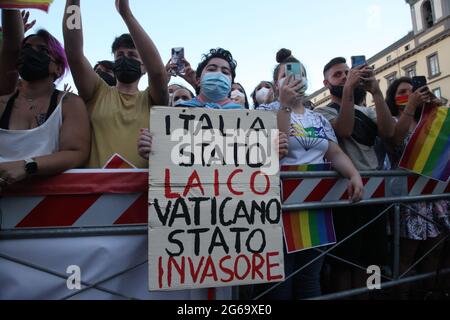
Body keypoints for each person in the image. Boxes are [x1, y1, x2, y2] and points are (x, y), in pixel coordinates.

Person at [256, 49, 364, 300]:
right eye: (287, 74)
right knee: (279, 280)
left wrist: (353, 174)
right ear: (276, 83)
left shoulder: (318, 119)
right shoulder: (264, 111)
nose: (295, 78)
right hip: (276, 209)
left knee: (308, 278)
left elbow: (334, 152)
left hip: (315, 209)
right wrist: (283, 105)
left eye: (301, 74)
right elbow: (279, 149)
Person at [315, 57, 397, 294]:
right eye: (337, 75)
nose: (343, 77)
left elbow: (390, 134)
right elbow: (345, 129)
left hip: (374, 190)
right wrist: (350, 88)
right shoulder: (322, 111)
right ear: (326, 83)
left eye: (346, 73)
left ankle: (372, 295)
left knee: (374, 259)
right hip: (344, 192)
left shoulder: (366, 110)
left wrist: (377, 93)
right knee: (345, 261)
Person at [63, 0, 168, 169]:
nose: (125, 58)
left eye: (132, 55)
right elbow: (73, 53)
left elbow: (158, 74)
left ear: (144, 67)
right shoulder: (97, 92)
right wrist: (73, 3)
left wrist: (126, 14)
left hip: (140, 192)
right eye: (119, 55)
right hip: (95, 192)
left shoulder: (152, 99)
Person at [0, 10, 90, 191]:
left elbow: (76, 153)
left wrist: (29, 167)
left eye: (42, 50)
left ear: (57, 67)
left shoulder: (69, 103)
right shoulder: (2, 103)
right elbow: (10, 43)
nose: (30, 53)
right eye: (26, 49)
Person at [385, 77, 449, 299]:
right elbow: (394, 140)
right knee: (406, 256)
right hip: (408, 198)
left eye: (413, 91)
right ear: (393, 98)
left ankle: (428, 294)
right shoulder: (392, 119)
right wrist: (411, 106)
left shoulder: (430, 118)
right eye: (403, 92)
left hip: (435, 196)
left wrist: (436, 108)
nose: (410, 94)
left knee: (435, 250)